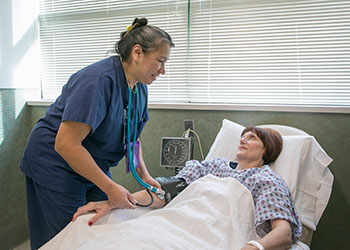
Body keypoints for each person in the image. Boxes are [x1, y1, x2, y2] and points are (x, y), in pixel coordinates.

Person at [20, 17, 174, 249]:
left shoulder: (139, 87)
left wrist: (143, 175)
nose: (163, 70)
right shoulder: (97, 80)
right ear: (137, 52)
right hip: (54, 162)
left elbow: (131, 135)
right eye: (160, 61)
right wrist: (111, 187)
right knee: (66, 237)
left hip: (90, 162)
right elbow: (66, 144)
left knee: (101, 225)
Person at [74, 126, 302, 250]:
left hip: (214, 231)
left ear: (266, 150)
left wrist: (254, 248)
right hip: (178, 220)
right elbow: (166, 192)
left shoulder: (265, 179)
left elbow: (283, 232)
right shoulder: (213, 166)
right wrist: (119, 201)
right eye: (243, 135)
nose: (243, 139)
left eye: (252, 138)